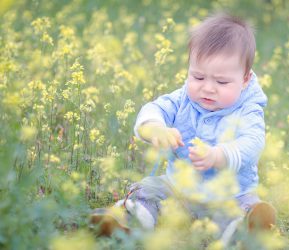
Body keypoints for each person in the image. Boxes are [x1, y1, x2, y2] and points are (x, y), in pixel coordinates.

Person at [91, 12, 276, 245]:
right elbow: (155, 108)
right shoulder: (183, 98)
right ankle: (128, 221)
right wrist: (155, 128)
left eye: (221, 82)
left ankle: (246, 229)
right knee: (149, 189)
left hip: (229, 195)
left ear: (245, 80)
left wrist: (220, 155)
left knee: (239, 210)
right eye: (198, 77)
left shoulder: (249, 109)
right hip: (178, 188)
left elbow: (253, 142)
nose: (207, 88)